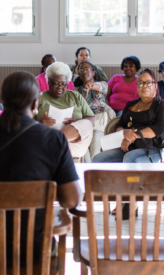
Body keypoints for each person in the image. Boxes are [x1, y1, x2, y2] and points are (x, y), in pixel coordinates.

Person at [0, 71, 83, 266]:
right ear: (36, 103)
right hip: (35, 249)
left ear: (2, 101)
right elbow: (72, 199)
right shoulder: (53, 139)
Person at [93, 68, 164, 163]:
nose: (145, 86)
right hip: (129, 146)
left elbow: (159, 128)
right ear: (137, 86)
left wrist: (132, 136)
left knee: (130, 158)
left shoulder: (162, 105)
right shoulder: (130, 104)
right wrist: (124, 132)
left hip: (153, 148)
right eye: (141, 83)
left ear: (155, 85)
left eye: (149, 83)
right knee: (98, 159)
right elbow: (119, 124)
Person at [36, 62, 95, 160]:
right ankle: (56, 141)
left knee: (87, 124)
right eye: (56, 83)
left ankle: (55, 140)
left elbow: (91, 120)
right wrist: (40, 124)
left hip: (73, 144)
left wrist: (76, 123)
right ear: (48, 82)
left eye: (64, 84)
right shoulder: (39, 98)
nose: (60, 87)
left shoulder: (75, 96)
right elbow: (26, 124)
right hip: (46, 140)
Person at [74, 61, 115, 161]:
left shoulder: (102, 85)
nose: (84, 72)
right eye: (81, 70)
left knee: (95, 150)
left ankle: (95, 173)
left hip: (98, 123)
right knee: (83, 153)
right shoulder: (76, 91)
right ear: (79, 74)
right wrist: (84, 97)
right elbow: (77, 109)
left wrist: (91, 86)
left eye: (87, 69)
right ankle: (87, 172)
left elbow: (100, 87)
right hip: (83, 123)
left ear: (93, 72)